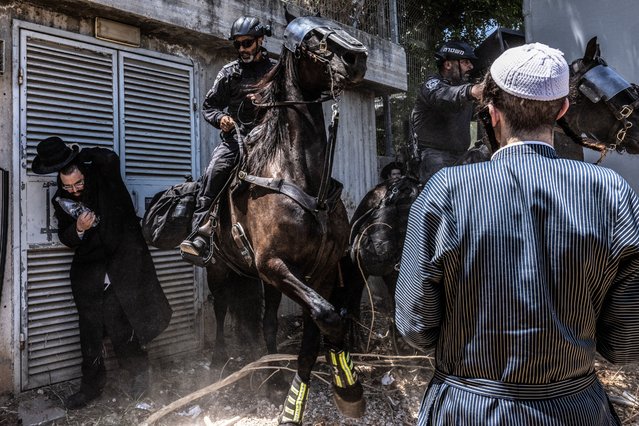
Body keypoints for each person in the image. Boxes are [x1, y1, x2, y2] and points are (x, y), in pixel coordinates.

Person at [395, 43, 639, 425]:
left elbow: (414, 327)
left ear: (492, 114)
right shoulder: (613, 192)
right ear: (562, 110)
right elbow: (627, 343)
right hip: (575, 410)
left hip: (466, 409)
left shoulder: (445, 192)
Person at [32, 136, 173, 410]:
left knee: (125, 327)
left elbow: (109, 156)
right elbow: (66, 237)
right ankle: (91, 387)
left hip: (123, 265)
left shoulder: (104, 175)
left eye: (78, 183)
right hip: (90, 274)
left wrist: (74, 155)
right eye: (68, 185)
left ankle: (139, 380)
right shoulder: (61, 199)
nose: (74, 190)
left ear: (83, 172)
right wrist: (79, 229)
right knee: (90, 332)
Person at [180, 16, 276, 258]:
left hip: (272, 139)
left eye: (247, 43)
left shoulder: (277, 71)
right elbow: (208, 106)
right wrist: (220, 119)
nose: (242, 49)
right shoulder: (229, 73)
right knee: (214, 172)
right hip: (238, 141)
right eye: (238, 44)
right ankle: (200, 236)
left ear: (260, 41)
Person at [410, 40, 483, 183]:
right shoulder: (432, 85)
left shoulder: (464, 90)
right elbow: (445, 96)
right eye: (465, 62)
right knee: (442, 196)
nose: (471, 66)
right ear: (448, 64)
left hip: (462, 155)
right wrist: (472, 90)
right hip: (434, 155)